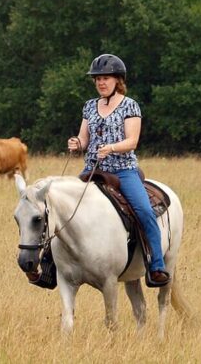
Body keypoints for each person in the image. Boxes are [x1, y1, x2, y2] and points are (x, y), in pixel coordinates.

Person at [66, 54, 169, 287]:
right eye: (97, 79)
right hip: (92, 170)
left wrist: (111, 148)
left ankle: (157, 265)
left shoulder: (130, 105)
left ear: (117, 80)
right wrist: (77, 143)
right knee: (61, 206)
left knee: (144, 211)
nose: (101, 83)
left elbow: (132, 141)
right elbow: (84, 139)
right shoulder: (89, 106)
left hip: (123, 172)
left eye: (106, 78)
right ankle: (52, 264)